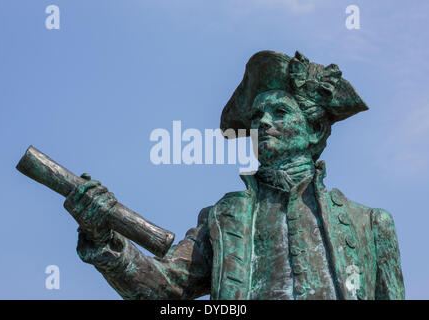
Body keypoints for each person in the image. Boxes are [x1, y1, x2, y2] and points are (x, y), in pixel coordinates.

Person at [63, 50, 405, 300]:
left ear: (315, 129)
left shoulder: (371, 225)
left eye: (280, 111)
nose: (264, 123)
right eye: (257, 116)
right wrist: (103, 239)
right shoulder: (224, 218)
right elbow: (165, 288)